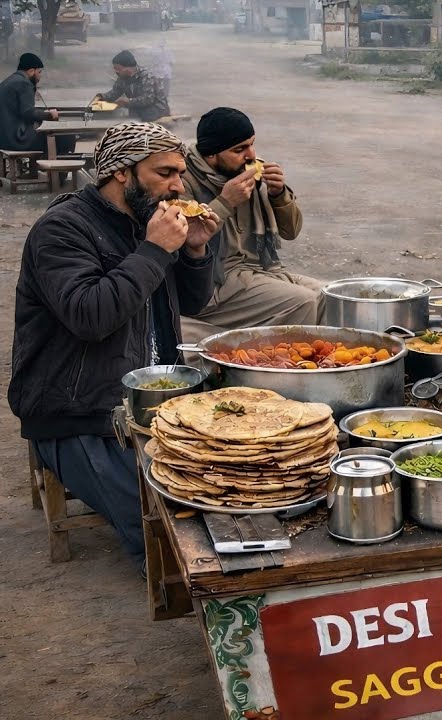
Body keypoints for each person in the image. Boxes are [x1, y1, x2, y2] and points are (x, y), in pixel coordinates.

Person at [8, 122, 219, 568]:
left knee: (225, 487)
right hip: (79, 410)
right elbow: (92, 317)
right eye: (165, 173)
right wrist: (154, 250)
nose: (178, 185)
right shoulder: (62, 230)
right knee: (171, 529)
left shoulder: (148, 221)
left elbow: (195, 303)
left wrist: (196, 252)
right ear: (122, 172)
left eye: (180, 173)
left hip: (157, 396)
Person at [180, 107, 320, 342]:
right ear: (211, 154)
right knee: (302, 300)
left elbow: (291, 231)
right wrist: (225, 202)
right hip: (216, 283)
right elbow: (182, 238)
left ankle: (322, 361)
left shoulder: (247, 177)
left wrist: (278, 194)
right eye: (240, 149)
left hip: (258, 269)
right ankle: (282, 371)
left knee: (326, 295)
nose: (251, 155)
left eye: (252, 144)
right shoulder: (183, 180)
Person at [0, 53, 74, 156]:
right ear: (31, 71)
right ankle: (55, 170)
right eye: (39, 72)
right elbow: (28, 113)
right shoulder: (24, 83)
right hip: (17, 139)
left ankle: (43, 167)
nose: (40, 76)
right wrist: (49, 115)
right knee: (65, 136)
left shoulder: (9, 82)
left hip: (4, 139)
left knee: (50, 135)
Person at [92, 50, 170, 122]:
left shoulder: (148, 76)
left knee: (138, 115)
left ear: (128, 68)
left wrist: (127, 101)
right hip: (139, 109)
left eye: (118, 68)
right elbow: (114, 93)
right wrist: (101, 97)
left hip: (156, 110)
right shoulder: (122, 78)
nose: (116, 71)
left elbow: (148, 99)